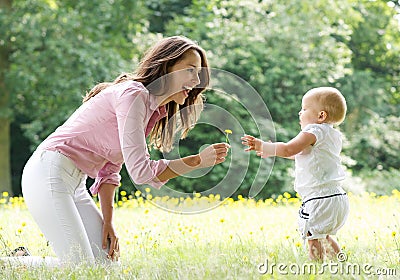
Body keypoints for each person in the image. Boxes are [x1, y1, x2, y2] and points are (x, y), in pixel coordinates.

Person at [8, 36, 230, 266]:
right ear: (167, 66)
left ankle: (21, 260)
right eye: (191, 70)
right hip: (49, 171)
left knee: (107, 264)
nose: (197, 79)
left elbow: (110, 169)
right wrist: (196, 161)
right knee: (78, 268)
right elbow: (141, 172)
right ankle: (10, 263)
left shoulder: (151, 110)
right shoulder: (133, 95)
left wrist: (108, 222)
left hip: (74, 184)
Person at [241, 87, 349, 261]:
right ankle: (342, 263)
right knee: (324, 236)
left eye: (305, 108)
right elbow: (297, 153)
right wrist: (273, 151)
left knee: (313, 238)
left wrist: (264, 146)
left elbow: (288, 148)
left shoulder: (314, 130)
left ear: (321, 116)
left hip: (319, 198)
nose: (300, 112)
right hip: (337, 197)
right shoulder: (333, 134)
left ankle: (316, 270)